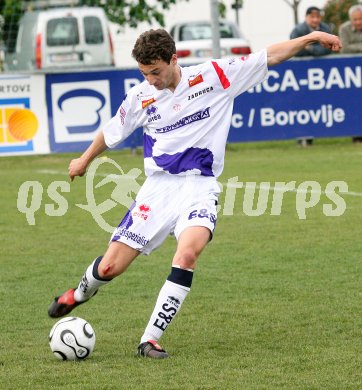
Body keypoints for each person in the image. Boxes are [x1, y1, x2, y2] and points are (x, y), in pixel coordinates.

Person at [48, 28, 341, 359]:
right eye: (145, 74)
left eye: (156, 72)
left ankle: (150, 339)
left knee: (187, 255)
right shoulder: (141, 96)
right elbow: (112, 130)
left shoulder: (214, 76)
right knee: (110, 268)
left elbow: (269, 55)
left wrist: (310, 36)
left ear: (174, 60)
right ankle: (80, 293)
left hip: (200, 186)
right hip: (157, 189)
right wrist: (84, 160)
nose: (152, 80)